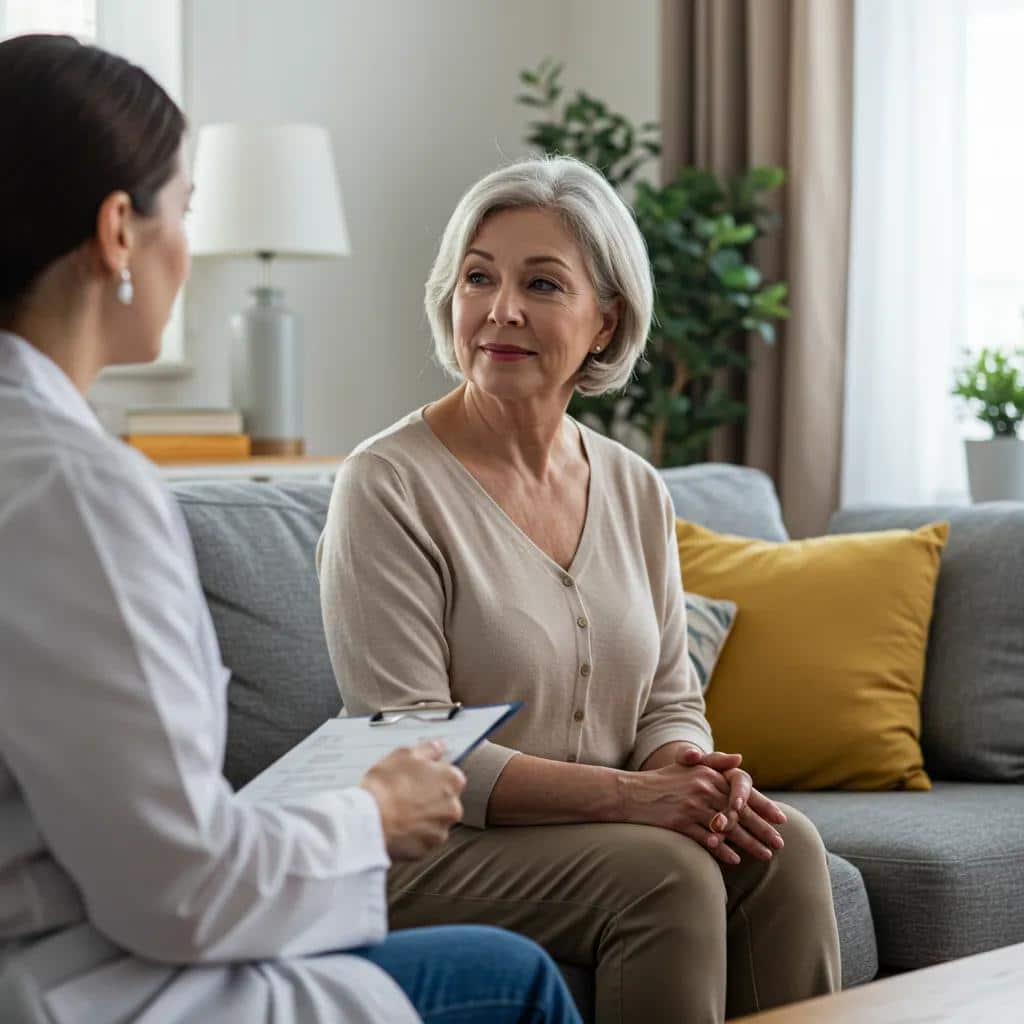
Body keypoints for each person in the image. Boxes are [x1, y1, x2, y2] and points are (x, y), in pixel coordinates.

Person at [0, 34, 581, 1024]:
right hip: (84, 982)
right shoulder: (79, 494)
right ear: (116, 232)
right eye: (183, 211)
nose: (186, 244)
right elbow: (181, 887)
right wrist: (370, 814)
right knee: (514, 978)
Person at [318, 155, 843, 1023]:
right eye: (478, 278)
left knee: (783, 848)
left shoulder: (637, 487)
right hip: (433, 846)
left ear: (606, 322)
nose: (502, 310)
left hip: (597, 833)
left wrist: (689, 777)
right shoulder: (385, 484)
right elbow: (412, 747)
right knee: (666, 875)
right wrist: (638, 802)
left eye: (543, 284)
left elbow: (670, 698)